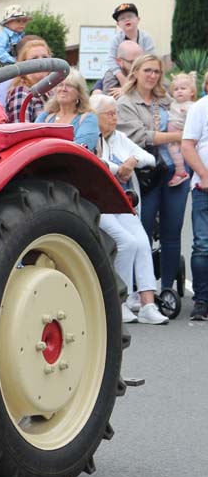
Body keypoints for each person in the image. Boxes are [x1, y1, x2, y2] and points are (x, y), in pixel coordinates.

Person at [89, 94, 167, 324]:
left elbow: (149, 159)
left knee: (143, 242)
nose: (115, 118)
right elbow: (97, 162)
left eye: (116, 113)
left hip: (122, 201)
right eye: (110, 114)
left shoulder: (118, 137)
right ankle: (119, 302)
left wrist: (131, 160)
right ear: (96, 117)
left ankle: (147, 304)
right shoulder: (92, 137)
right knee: (126, 242)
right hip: (100, 202)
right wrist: (118, 168)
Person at [117, 52, 189, 296]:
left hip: (174, 171)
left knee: (172, 230)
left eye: (156, 71)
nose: (152, 75)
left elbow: (187, 121)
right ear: (135, 71)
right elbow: (140, 136)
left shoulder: (167, 100)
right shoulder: (125, 102)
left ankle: (167, 288)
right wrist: (178, 136)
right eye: (147, 70)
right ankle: (142, 289)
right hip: (145, 174)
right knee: (143, 230)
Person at [180, 73, 208, 322]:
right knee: (202, 245)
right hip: (204, 187)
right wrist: (203, 174)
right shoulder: (200, 108)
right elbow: (187, 145)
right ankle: (202, 301)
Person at [36, 69, 98, 150]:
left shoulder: (88, 118)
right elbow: (34, 142)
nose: (63, 89)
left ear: (79, 93)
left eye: (69, 85)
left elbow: (81, 149)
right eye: (60, 85)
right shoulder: (45, 117)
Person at [3, 36, 53, 123]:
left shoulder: (50, 91)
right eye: (34, 58)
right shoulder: (22, 92)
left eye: (45, 57)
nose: (41, 62)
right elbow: (20, 131)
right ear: (23, 63)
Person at [167, 72, 196, 186]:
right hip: (173, 137)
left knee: (175, 151)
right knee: (174, 150)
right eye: (176, 89)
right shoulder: (173, 103)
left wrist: (186, 112)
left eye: (183, 88)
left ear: (192, 92)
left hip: (181, 134)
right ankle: (180, 170)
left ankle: (181, 171)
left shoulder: (192, 105)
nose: (179, 91)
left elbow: (194, 119)